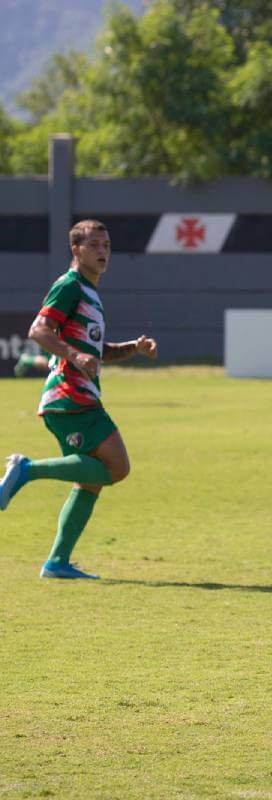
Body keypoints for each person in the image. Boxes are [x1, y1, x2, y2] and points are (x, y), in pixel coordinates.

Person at [0, 219, 159, 579]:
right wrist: (75, 357)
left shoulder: (89, 292)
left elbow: (94, 351)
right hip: (71, 397)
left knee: (90, 480)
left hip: (75, 397)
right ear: (76, 250)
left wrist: (132, 348)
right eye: (94, 245)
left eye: (106, 246)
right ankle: (26, 470)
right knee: (117, 467)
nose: (103, 252)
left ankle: (57, 562)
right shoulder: (69, 285)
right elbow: (38, 330)